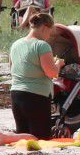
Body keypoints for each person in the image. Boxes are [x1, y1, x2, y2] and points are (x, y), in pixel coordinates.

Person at [8, 10, 62, 139]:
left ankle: (1, 137)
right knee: (41, 138)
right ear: (44, 28)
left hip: (16, 93)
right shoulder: (42, 45)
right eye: (50, 32)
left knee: (24, 136)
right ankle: (2, 137)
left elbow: (12, 68)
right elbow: (52, 73)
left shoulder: (16, 44)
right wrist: (58, 64)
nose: (49, 36)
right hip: (36, 95)